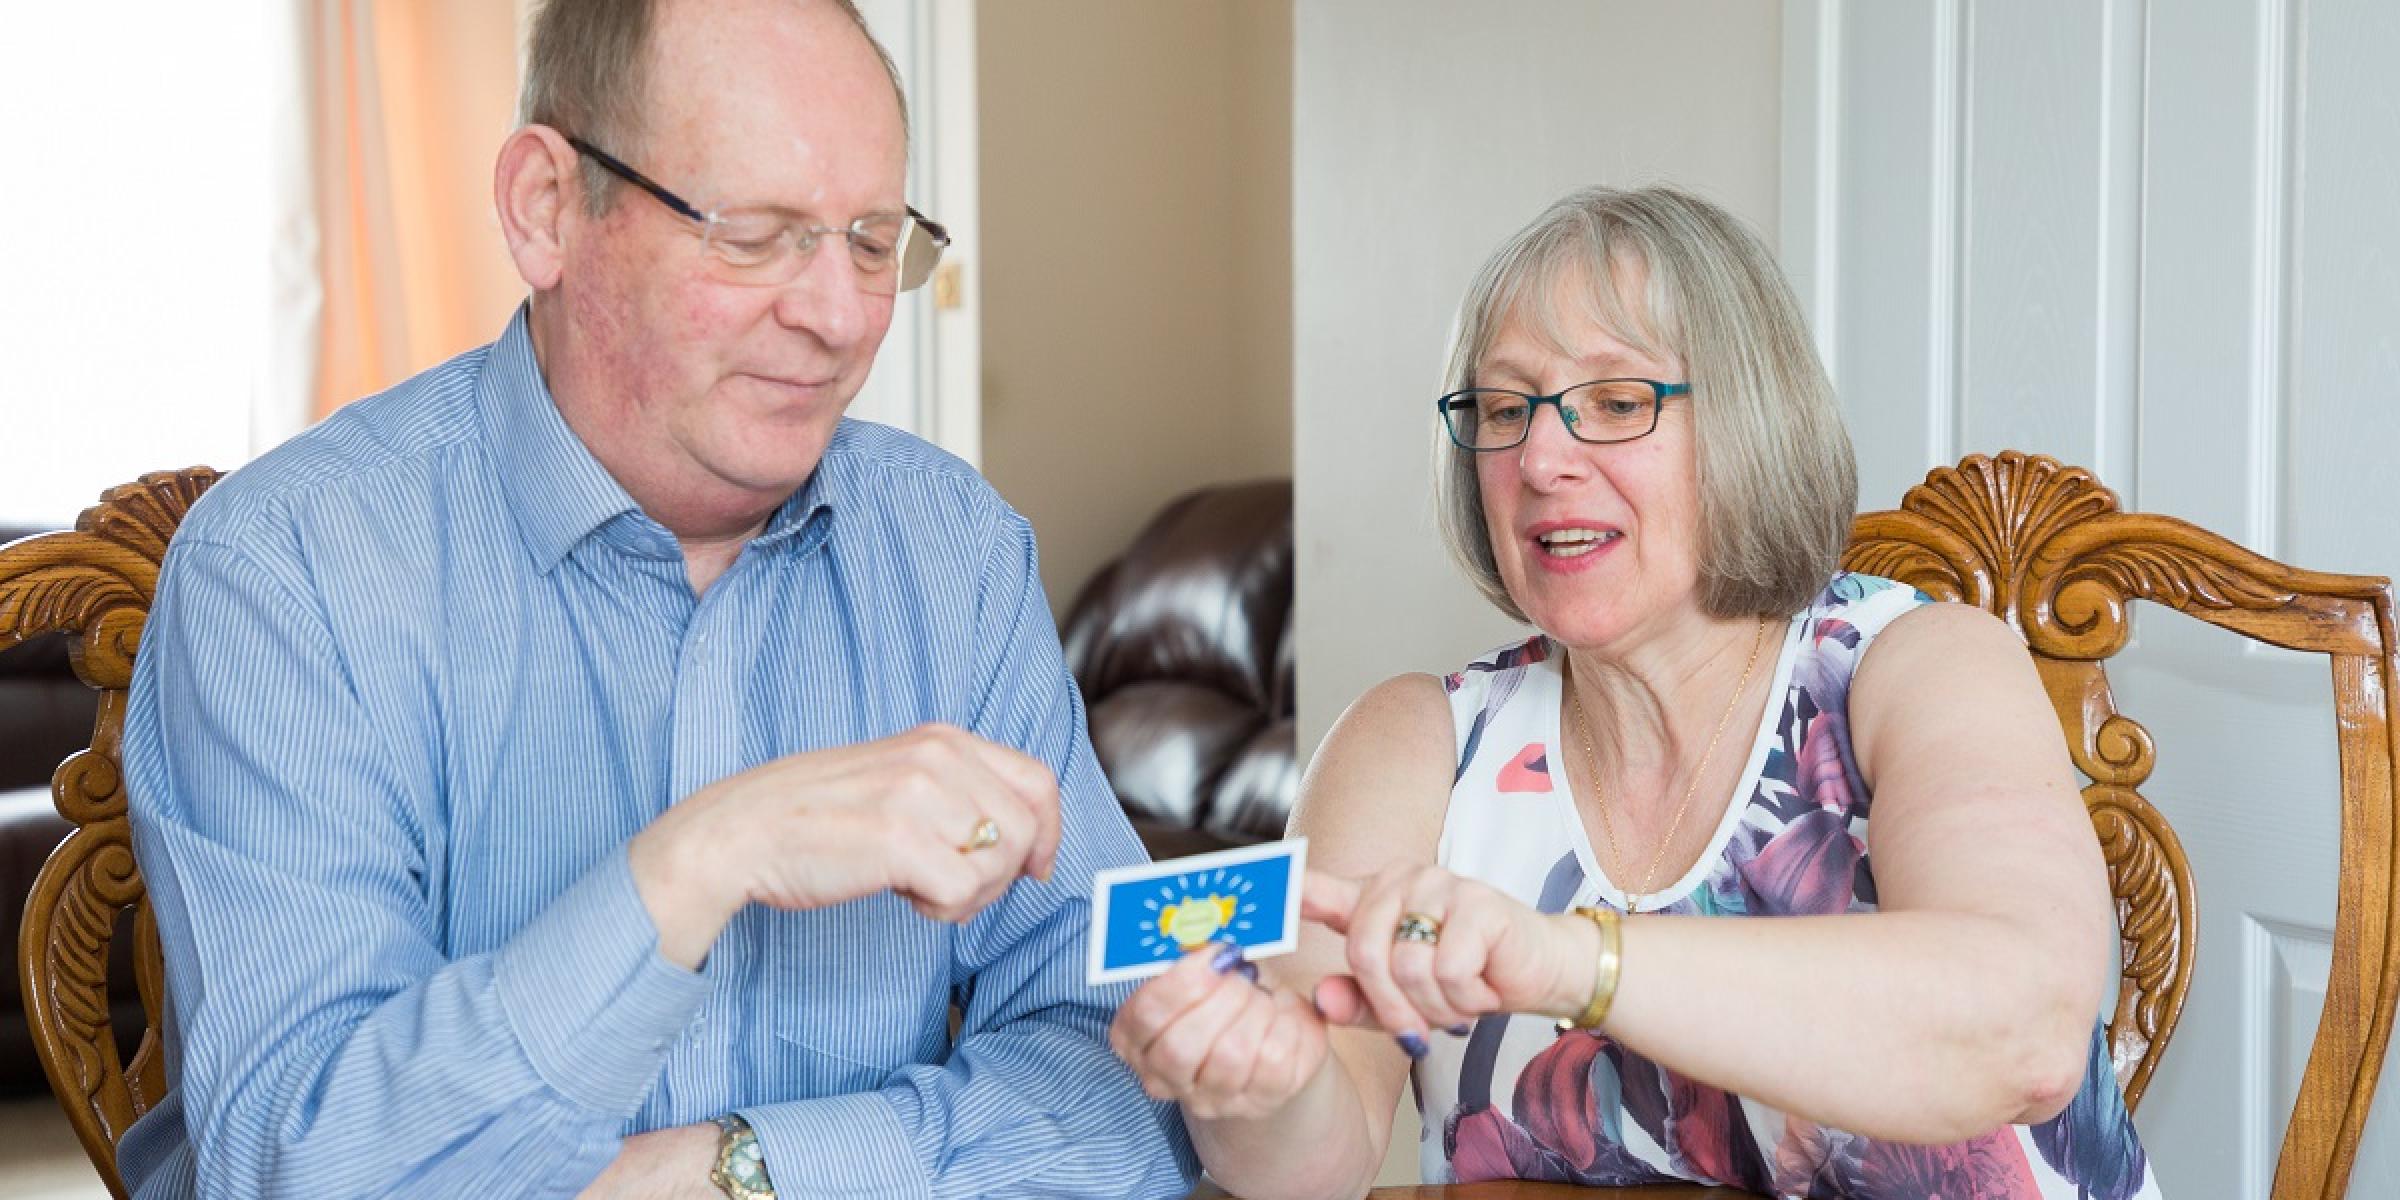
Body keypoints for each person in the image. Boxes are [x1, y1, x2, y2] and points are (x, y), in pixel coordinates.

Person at [116, 0, 1195, 1196]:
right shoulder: (288, 573)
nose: (838, 318)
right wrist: (705, 857)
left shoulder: (956, 556)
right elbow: (303, 1164)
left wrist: (739, 1170)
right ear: (546, 210)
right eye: (755, 234)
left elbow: (1128, 1069)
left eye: (874, 242)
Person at [1111, 186, 2162, 1199]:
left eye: (1615, 401)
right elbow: (1314, 1169)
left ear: (1751, 424)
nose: (1539, 456)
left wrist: (1568, 959)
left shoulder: (1922, 666)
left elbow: (2021, 1034)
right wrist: (1261, 1086)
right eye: (1503, 406)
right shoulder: (1414, 744)